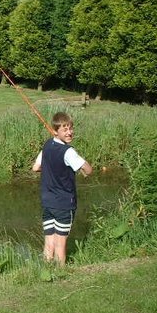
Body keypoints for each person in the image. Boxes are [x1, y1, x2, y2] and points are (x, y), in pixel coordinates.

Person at [32, 112, 92, 266]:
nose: (69, 132)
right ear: (55, 131)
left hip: (47, 202)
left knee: (49, 242)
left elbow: (36, 167)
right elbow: (88, 170)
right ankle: (61, 274)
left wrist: (53, 170)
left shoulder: (46, 145)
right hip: (64, 204)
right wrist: (82, 168)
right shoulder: (68, 151)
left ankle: (46, 271)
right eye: (65, 129)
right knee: (60, 244)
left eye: (71, 128)